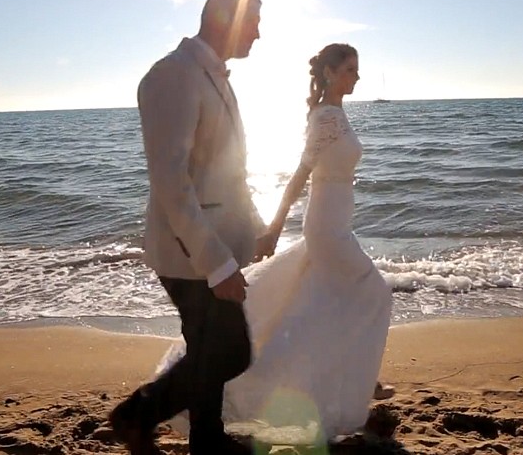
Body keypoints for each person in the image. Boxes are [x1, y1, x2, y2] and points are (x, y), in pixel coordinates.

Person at [156, 43, 394, 447]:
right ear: (331, 73)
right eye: (351, 69)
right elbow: (301, 174)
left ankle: (347, 379)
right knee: (376, 294)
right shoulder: (327, 118)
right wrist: (274, 226)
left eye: (358, 69)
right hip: (326, 230)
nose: (357, 75)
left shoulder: (335, 114)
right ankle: (359, 380)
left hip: (336, 224)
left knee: (322, 305)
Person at [109, 0, 272, 455]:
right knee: (230, 351)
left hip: (217, 245)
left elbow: (227, 172)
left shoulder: (213, 76)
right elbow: (171, 182)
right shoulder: (173, 75)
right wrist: (215, 263)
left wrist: (256, 226)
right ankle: (134, 415)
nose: (258, 35)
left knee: (207, 349)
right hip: (189, 254)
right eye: (255, 22)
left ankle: (208, 439)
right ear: (227, 18)